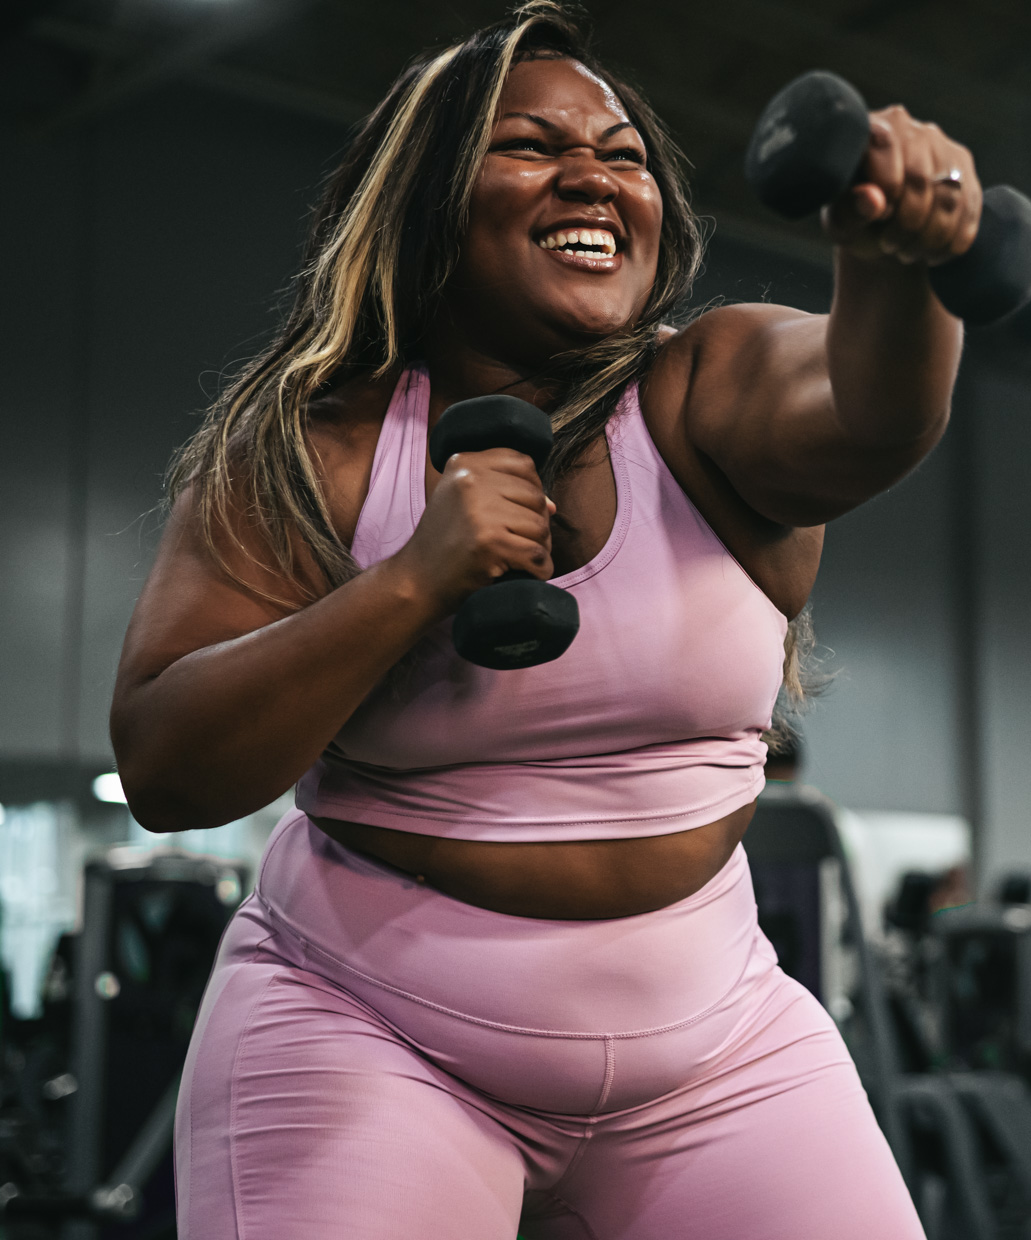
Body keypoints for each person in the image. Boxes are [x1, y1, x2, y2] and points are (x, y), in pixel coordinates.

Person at [109, 4, 985, 1234]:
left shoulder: (701, 390)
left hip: (713, 1042)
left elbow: (869, 411)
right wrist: (413, 580)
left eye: (624, 154)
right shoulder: (321, 443)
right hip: (367, 1024)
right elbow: (163, 759)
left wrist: (896, 273)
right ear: (430, 200)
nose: (592, 173)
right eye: (531, 145)